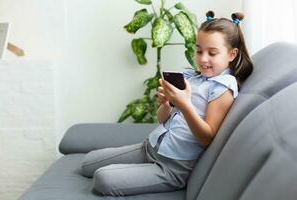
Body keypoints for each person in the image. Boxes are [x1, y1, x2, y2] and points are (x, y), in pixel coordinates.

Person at [81, 11, 253, 196]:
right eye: (199, 50)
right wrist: (167, 104)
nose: (203, 59)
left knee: (102, 178)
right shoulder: (192, 78)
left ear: (232, 54)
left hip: (172, 167)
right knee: (87, 164)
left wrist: (184, 104)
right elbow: (162, 120)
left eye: (212, 53)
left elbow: (206, 138)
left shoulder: (223, 88)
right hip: (150, 147)